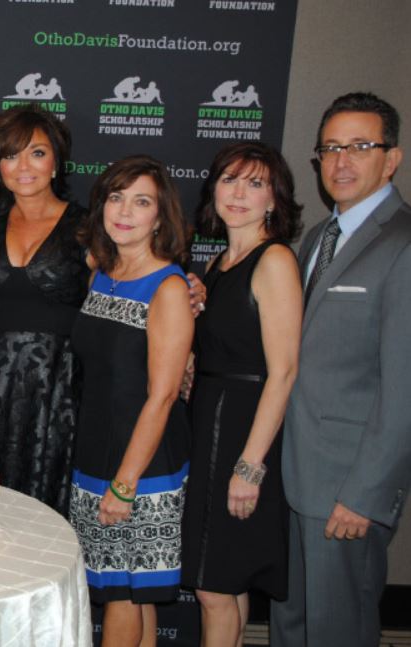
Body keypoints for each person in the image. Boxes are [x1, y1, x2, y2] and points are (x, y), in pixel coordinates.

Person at [270, 92, 411, 647]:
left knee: (338, 632)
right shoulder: (315, 240)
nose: (341, 161)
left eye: (360, 146)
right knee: (291, 627)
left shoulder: (402, 245)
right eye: (330, 148)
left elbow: (404, 389)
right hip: (293, 476)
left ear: (391, 158)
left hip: (347, 491)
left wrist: (366, 494)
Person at [181, 142, 303, 647]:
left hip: (243, 432)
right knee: (224, 582)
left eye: (255, 184)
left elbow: (285, 371)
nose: (239, 193)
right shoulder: (215, 266)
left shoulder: (274, 261)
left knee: (213, 588)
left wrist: (251, 466)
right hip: (207, 425)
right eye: (229, 179)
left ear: (274, 200)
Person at [70, 155, 193, 646]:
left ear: (160, 217)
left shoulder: (168, 287)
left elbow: (162, 396)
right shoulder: (101, 270)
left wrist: (125, 484)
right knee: (126, 591)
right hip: (96, 452)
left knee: (122, 595)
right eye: (116, 197)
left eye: (141, 202)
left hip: (141, 463)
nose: (124, 211)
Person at [0, 104, 89, 516]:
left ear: (56, 161)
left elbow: (131, 283)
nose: (23, 166)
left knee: (47, 509)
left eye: (37, 152)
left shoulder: (89, 226)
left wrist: (184, 288)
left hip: (59, 389)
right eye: (10, 155)